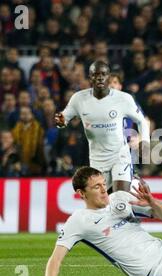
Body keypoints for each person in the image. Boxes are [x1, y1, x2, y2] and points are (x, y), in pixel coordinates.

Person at [55, 60, 150, 192]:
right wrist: (60, 121)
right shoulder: (79, 98)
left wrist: (144, 141)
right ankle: (137, 201)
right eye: (95, 74)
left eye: (103, 74)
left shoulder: (124, 99)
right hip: (97, 159)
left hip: (120, 156)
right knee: (106, 204)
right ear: (90, 78)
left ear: (108, 76)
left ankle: (131, 186)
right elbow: (64, 117)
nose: (100, 77)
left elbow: (142, 121)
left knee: (120, 198)